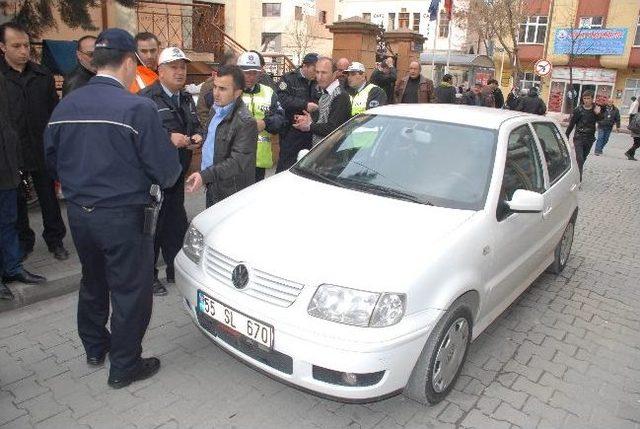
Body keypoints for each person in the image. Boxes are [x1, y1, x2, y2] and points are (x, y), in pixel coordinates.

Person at [44, 28, 181, 388]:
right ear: (127, 63)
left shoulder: (66, 104)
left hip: (79, 214)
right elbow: (167, 172)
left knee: (93, 280)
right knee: (130, 289)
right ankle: (124, 364)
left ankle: (94, 346)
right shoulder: (138, 107)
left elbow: (52, 159)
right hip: (123, 216)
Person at [0, 22, 69, 261]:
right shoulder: (2, 78)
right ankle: (23, 243)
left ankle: (55, 240)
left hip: (41, 147)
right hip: (11, 152)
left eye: (26, 45)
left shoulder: (42, 75)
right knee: (17, 201)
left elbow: (54, 111)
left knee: (49, 199)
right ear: (2, 47)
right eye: (16, 46)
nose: (23, 51)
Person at [139, 47, 203, 296]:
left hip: (177, 173)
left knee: (176, 226)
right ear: (160, 71)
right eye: (174, 67)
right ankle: (149, 277)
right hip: (154, 177)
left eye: (183, 67)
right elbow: (139, 136)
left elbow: (197, 124)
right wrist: (167, 138)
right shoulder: (146, 98)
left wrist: (198, 135)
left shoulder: (185, 97)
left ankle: (175, 270)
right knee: (153, 227)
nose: (180, 72)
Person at [1, 72, 46, 300]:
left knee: (9, 221)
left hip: (7, 169)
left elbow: (10, 126)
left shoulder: (3, 80)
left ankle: (12, 268)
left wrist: (17, 163)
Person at [185, 65, 258, 207]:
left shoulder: (245, 122)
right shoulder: (215, 109)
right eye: (215, 87)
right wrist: (200, 140)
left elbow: (237, 162)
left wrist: (204, 175)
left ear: (237, 93)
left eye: (223, 89)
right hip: (213, 184)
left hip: (231, 191)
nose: (216, 93)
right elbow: (215, 137)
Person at [237, 51, 286, 182]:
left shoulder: (268, 92)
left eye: (254, 72)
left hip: (260, 160)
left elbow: (281, 119)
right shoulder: (231, 91)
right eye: (246, 72)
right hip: (235, 160)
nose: (250, 77)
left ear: (259, 72)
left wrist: (265, 123)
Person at [293, 57, 352, 146]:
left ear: (334, 74)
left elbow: (333, 129)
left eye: (324, 73)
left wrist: (309, 126)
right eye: (317, 72)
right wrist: (308, 119)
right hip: (322, 152)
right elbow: (322, 120)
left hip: (333, 154)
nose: (319, 77)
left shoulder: (340, 96)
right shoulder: (325, 93)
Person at [275, 53, 319, 172]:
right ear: (305, 66)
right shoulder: (289, 79)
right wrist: (304, 105)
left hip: (310, 130)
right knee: (286, 166)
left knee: (307, 167)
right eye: (315, 70)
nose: (317, 74)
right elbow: (281, 98)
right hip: (291, 130)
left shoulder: (317, 82)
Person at [565, 90, 603, 179]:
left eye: (588, 98)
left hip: (589, 138)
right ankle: (578, 178)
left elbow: (601, 121)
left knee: (583, 158)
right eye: (584, 98)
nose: (586, 100)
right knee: (579, 158)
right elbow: (572, 124)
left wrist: (598, 114)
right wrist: (566, 135)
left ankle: (577, 171)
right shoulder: (578, 110)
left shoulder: (596, 109)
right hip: (579, 137)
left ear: (592, 99)